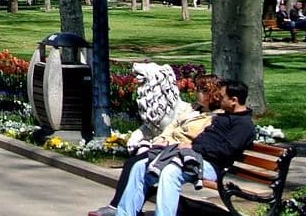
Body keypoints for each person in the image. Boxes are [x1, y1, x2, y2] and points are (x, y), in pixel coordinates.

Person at [93, 79, 255, 216]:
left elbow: (225, 151)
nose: (218, 100)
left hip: (211, 166)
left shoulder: (244, 126)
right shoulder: (224, 116)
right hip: (192, 156)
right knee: (140, 166)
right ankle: (125, 213)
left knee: (171, 172)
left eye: (222, 97)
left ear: (234, 100)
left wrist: (194, 146)